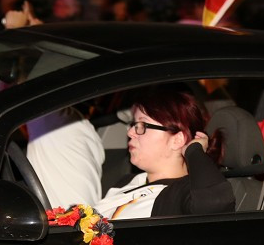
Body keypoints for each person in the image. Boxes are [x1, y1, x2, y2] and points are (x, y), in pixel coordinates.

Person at [94, 84, 234, 219]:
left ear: (177, 140)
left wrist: (194, 150)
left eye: (142, 125)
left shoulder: (179, 195)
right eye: (133, 124)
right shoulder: (128, 181)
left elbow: (216, 202)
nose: (131, 132)